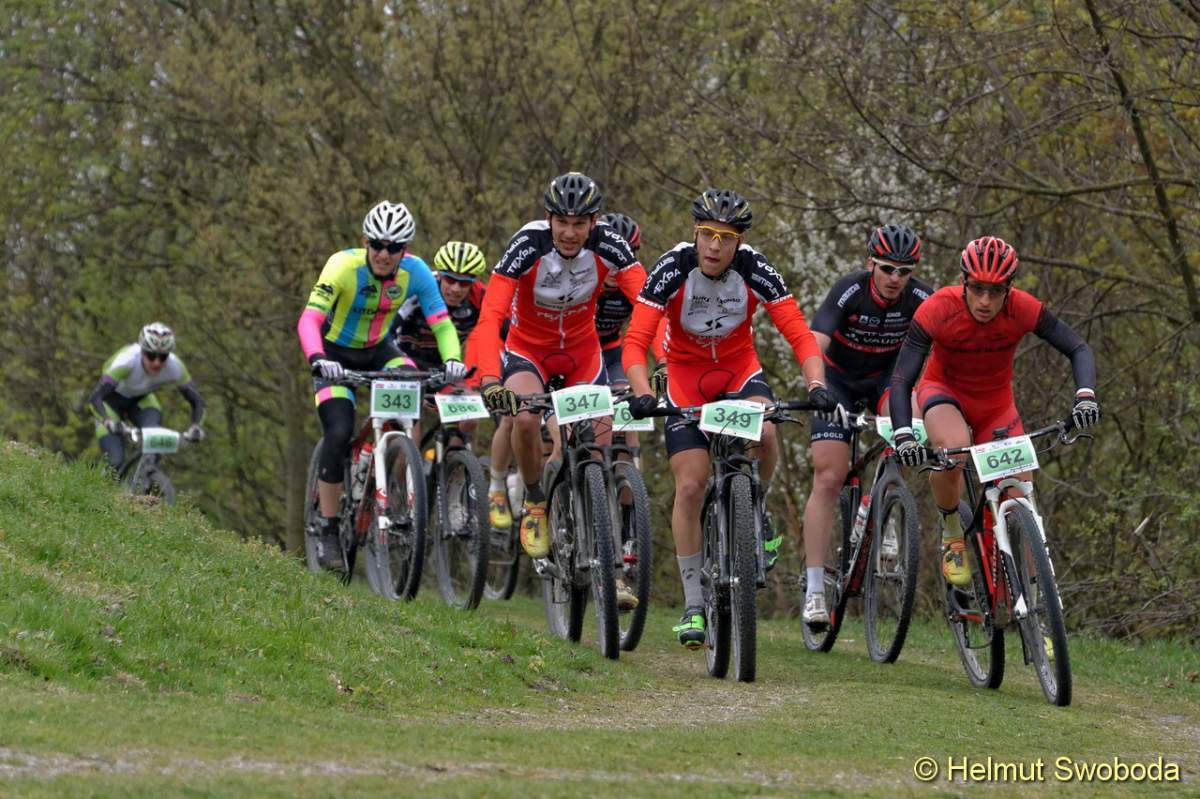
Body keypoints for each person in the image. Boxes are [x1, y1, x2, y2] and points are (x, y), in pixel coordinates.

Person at [621, 188, 836, 649]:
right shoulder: (672, 267)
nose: (715, 246)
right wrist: (642, 393)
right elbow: (635, 341)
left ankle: (756, 509)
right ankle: (693, 603)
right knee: (691, 485)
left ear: (740, 242)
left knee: (767, 430)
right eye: (707, 235)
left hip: (739, 372)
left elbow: (800, 335)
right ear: (695, 234)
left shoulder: (756, 269)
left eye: (726, 237)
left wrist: (816, 384)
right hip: (685, 378)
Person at [888, 236, 1100, 587]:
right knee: (953, 452)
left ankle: (1040, 601)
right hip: (944, 393)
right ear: (963, 282)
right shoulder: (938, 309)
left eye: (996, 291)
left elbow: (1078, 347)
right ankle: (952, 532)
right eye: (977, 289)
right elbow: (901, 378)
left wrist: (1086, 396)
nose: (985, 301)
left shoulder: (1023, 308)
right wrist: (904, 435)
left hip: (996, 406)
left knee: (1020, 497)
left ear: (1009, 288)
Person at [467, 173, 647, 578]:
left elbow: (650, 306)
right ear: (549, 218)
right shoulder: (527, 245)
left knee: (598, 450)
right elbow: (491, 315)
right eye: (562, 222)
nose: (569, 233)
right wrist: (490, 379)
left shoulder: (610, 245)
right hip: (528, 351)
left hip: (582, 354)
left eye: (579, 223)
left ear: (593, 222)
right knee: (524, 418)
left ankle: (606, 560)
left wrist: (663, 364)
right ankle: (534, 501)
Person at [297, 201, 467, 569]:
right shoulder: (342, 266)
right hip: (333, 356)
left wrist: (453, 359)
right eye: (377, 244)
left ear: (406, 249)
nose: (384, 254)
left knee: (412, 387)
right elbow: (309, 319)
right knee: (338, 431)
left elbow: (441, 323)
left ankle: (393, 480)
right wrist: (317, 358)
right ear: (365, 241)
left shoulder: (416, 271)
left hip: (379, 351)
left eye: (394, 247)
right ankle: (328, 528)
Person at [800, 224, 933, 628]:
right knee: (829, 477)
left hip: (886, 381)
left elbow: (944, 349)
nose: (895, 278)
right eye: (887, 268)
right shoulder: (850, 290)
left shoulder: (921, 298)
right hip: (837, 381)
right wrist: (816, 388)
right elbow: (815, 341)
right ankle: (815, 590)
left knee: (913, 422)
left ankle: (885, 508)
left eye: (904, 271)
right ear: (870, 263)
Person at [88, 322, 205, 471]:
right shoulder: (127, 360)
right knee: (115, 461)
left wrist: (196, 426)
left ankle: (147, 480)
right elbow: (95, 398)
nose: (157, 363)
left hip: (141, 400)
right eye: (151, 356)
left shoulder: (175, 366)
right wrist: (107, 421)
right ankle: (98, 482)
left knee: (154, 442)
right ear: (142, 351)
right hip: (109, 402)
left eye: (163, 357)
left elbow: (197, 401)